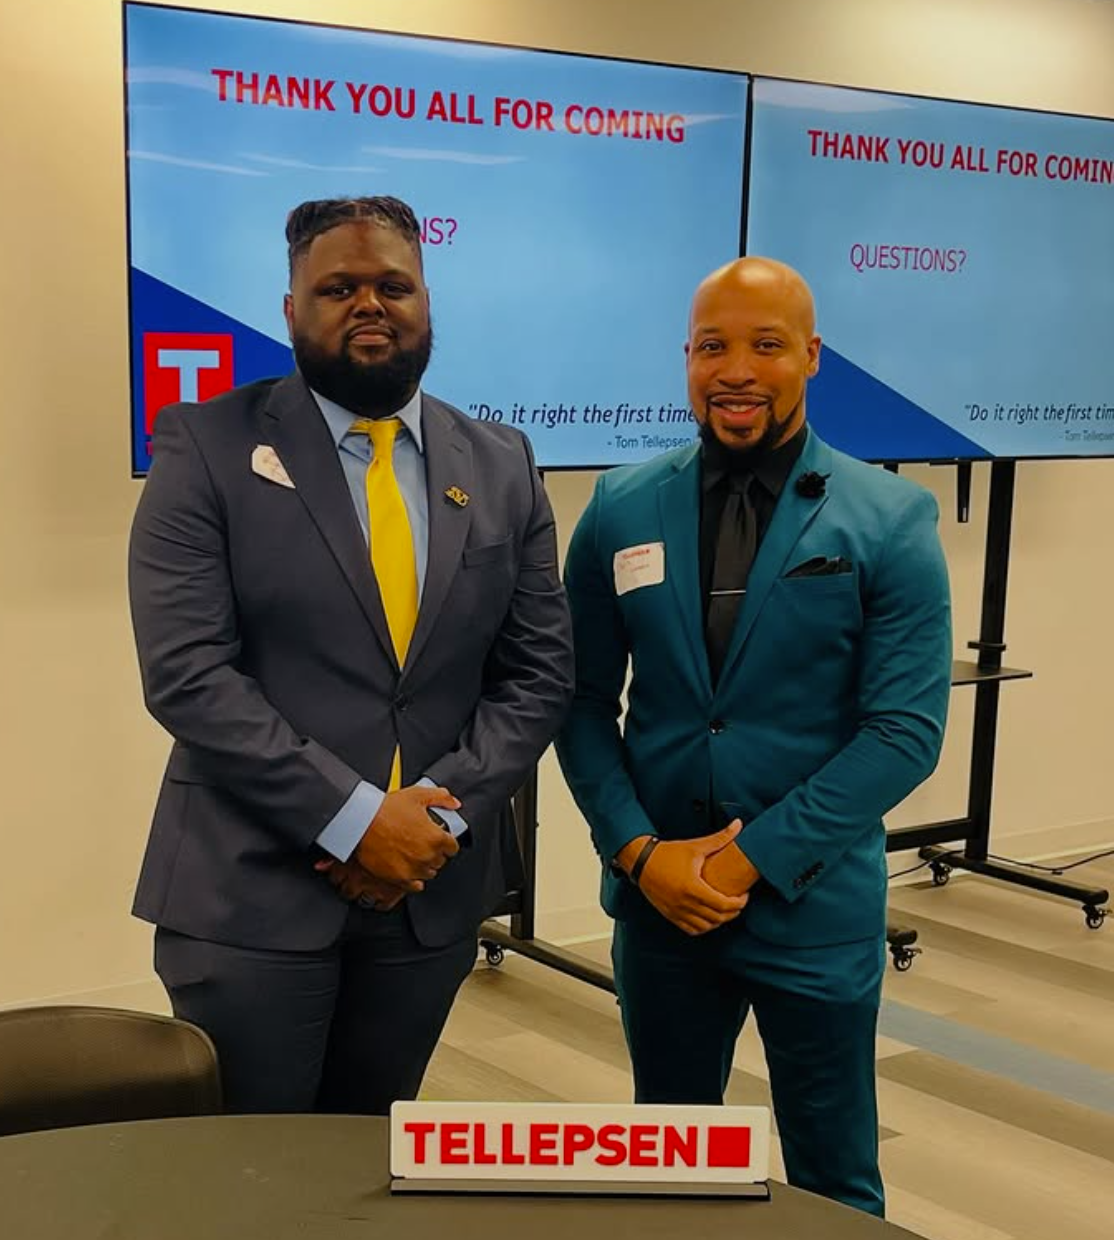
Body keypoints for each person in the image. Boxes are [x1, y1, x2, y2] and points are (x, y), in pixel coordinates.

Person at [129, 195, 573, 1116]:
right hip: (249, 894)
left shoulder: (500, 459)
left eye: (392, 285)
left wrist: (430, 827)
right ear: (292, 310)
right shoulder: (205, 445)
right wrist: (355, 818)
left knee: (369, 1158)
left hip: (429, 894)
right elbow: (188, 674)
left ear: (426, 301)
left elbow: (537, 673)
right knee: (250, 1178)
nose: (369, 304)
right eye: (338, 287)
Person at [555, 257, 951, 1216]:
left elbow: (904, 732)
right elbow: (573, 699)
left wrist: (743, 866)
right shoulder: (621, 507)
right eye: (712, 346)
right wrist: (641, 853)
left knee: (834, 1174)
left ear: (811, 356)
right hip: (659, 907)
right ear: (685, 360)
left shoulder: (889, 518)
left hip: (810, 909)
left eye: (766, 345)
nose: (737, 368)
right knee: (671, 1158)